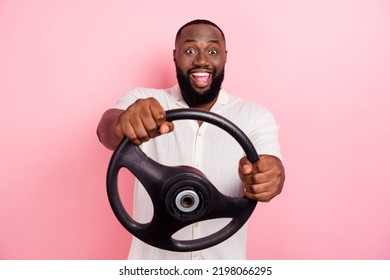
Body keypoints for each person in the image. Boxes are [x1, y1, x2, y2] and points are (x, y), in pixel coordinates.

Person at [97, 19, 285, 260]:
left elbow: (272, 167)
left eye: (213, 51)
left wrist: (268, 176)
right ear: (175, 56)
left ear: (225, 57)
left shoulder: (254, 116)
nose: (202, 60)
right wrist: (125, 123)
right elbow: (107, 130)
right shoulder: (143, 99)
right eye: (190, 50)